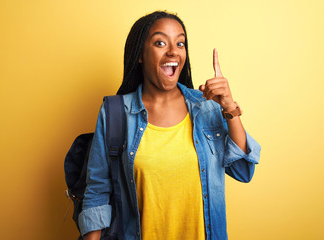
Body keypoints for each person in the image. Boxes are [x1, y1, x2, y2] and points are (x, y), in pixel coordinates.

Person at [79, 11, 261, 240]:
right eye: (160, 42)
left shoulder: (206, 106)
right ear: (140, 55)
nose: (173, 51)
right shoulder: (115, 113)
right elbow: (97, 194)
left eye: (180, 43)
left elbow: (243, 170)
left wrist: (229, 107)